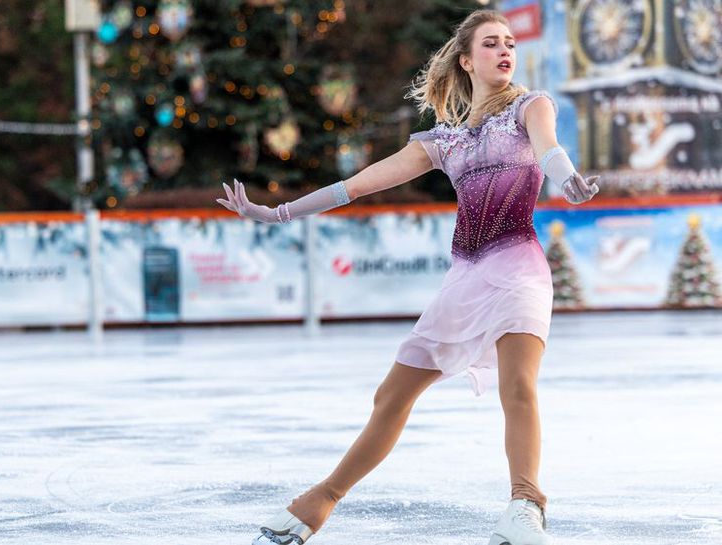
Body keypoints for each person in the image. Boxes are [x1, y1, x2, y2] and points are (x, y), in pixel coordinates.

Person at [216, 9, 599, 545]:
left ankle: (525, 506)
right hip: (464, 280)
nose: (505, 50)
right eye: (491, 43)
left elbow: (548, 148)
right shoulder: (443, 143)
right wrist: (277, 213)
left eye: (509, 42)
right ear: (467, 61)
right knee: (391, 395)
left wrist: (569, 180)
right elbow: (358, 185)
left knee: (518, 385)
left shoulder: (530, 107)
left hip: (518, 267)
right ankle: (317, 505)